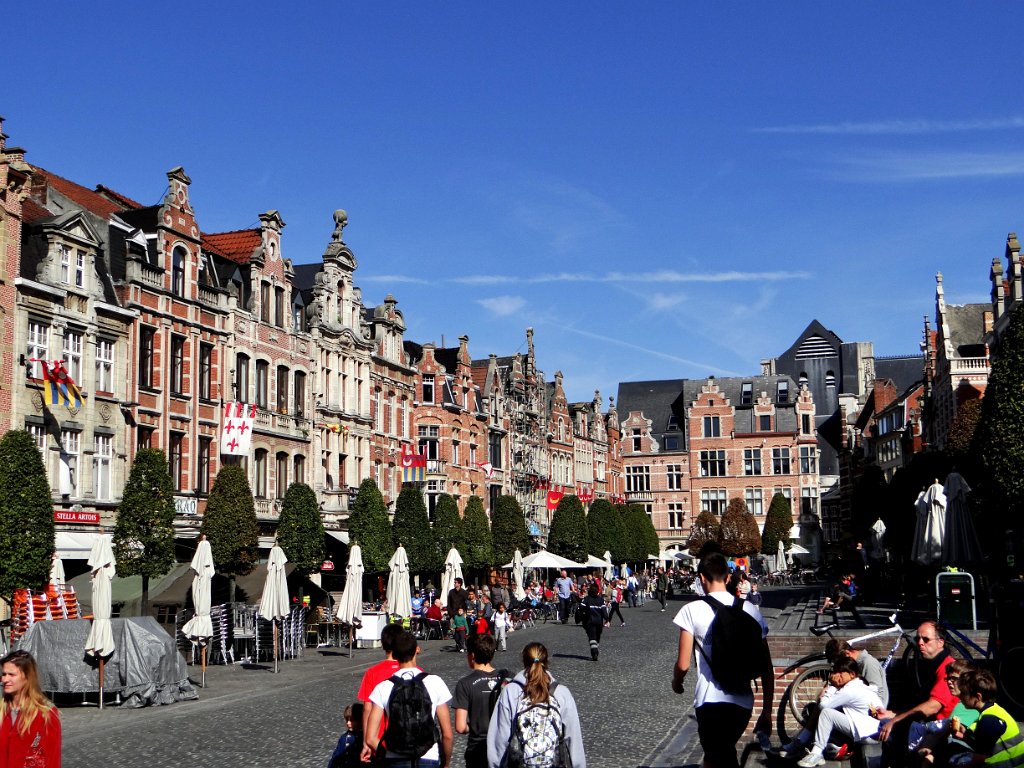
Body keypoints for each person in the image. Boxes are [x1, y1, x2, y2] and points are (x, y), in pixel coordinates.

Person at [671, 552, 774, 768]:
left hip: (709, 701)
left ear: (701, 577)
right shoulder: (750, 609)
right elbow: (766, 666)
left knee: (718, 757)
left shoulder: (691, 610)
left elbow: (683, 664)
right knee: (718, 756)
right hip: (742, 701)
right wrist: (766, 711)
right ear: (728, 577)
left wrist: (677, 682)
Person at [486, 642, 586, 768]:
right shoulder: (562, 692)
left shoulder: (510, 692)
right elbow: (574, 739)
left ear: (524, 661)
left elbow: (499, 740)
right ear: (547, 661)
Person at [363, 631, 453, 768]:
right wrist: (446, 762)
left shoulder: (383, 687)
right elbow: (447, 735)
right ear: (417, 650)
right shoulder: (435, 682)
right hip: (429, 756)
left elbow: (370, 738)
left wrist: (386, 754)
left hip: (394, 758)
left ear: (394, 654)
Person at [794, 656, 885, 767]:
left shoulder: (850, 690)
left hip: (869, 735)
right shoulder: (859, 685)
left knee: (827, 714)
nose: (837, 675)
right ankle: (813, 748)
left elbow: (824, 705)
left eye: (841, 672)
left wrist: (832, 686)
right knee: (833, 711)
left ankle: (816, 753)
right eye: (836, 672)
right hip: (872, 730)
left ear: (852, 674)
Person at [878, 621, 958, 745]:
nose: (920, 643)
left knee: (885, 729)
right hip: (929, 725)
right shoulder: (933, 665)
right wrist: (892, 714)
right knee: (882, 725)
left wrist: (896, 720)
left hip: (940, 730)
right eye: (917, 639)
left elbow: (932, 707)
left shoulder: (947, 668)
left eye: (926, 639)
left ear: (940, 642)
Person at [949, 667, 1024, 768]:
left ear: (978, 697)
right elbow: (984, 744)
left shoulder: (989, 721)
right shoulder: (994, 710)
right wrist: (964, 736)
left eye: (963, 693)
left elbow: (979, 758)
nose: (960, 696)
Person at [910, 660, 980, 766]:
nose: (949, 682)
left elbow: (947, 734)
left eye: (954, 679)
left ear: (967, 680)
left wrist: (927, 755)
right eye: (948, 678)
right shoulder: (962, 703)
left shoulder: (968, 706)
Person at [454, 634, 509, 768]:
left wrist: (473, 725)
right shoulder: (508, 679)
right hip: (503, 748)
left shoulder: (464, 684)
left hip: (477, 750)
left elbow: (460, 727)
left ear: (472, 655)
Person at [0, 650, 61, 768]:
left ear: (27, 676)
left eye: (11, 675)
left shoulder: (46, 714)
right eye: (4, 674)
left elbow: (52, 759)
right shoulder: (2, 711)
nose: (5, 680)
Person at [357, 623, 405, 746]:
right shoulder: (415, 671)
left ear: (383, 645)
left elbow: (367, 709)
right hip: (408, 740)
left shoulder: (372, 672)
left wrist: (366, 741)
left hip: (378, 741)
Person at [825, 638, 890, 707]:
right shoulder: (851, 665)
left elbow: (877, 693)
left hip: (870, 709)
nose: (840, 666)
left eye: (841, 662)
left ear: (847, 654)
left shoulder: (868, 663)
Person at [328, 702, 364, 768]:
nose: (348, 723)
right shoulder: (344, 738)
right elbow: (336, 756)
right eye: (347, 720)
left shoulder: (364, 738)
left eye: (352, 720)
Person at [582, 582, 607, 661]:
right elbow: (604, 610)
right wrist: (607, 619)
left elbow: (581, 608)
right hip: (599, 622)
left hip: (590, 621)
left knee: (592, 637)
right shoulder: (600, 599)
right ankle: (595, 650)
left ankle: (594, 651)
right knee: (597, 636)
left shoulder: (586, 599)